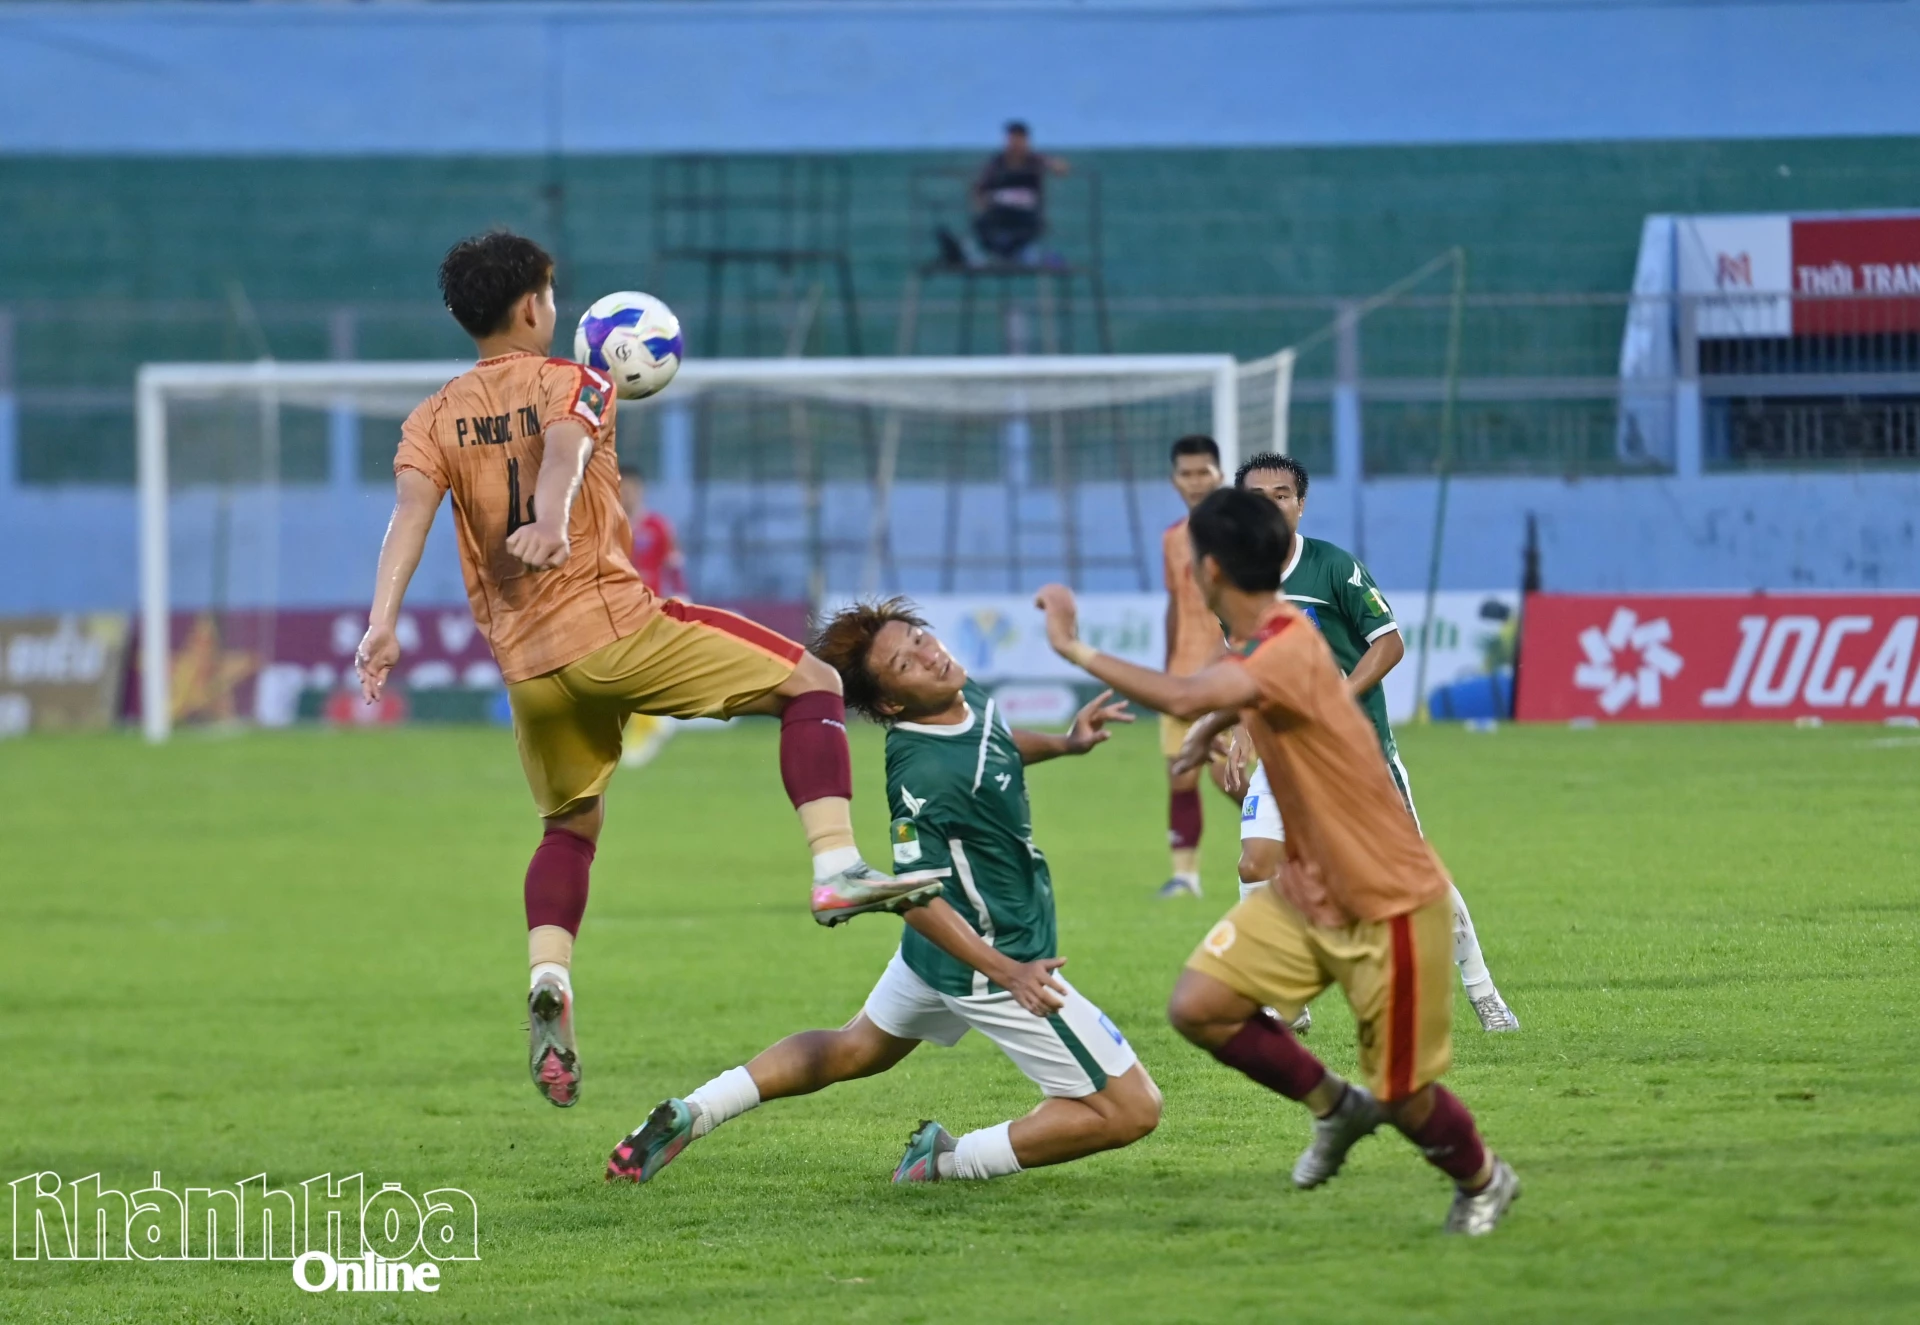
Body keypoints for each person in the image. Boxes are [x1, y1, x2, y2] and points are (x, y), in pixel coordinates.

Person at [353, 231, 943, 1111]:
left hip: (528, 669)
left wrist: (381, 625)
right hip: (613, 628)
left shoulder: (431, 418)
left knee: (569, 827)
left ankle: (549, 976)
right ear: (533, 306)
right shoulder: (575, 380)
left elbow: (408, 516)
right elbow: (564, 449)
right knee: (813, 683)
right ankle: (837, 863)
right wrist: (552, 519)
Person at [1033, 488, 1520, 1236]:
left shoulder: (1283, 644)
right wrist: (1217, 727)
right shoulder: (1281, 631)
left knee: (1405, 1095)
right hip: (1307, 887)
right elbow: (1241, 690)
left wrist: (1074, 648)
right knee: (1201, 1006)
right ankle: (1335, 1106)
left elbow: (1186, 692)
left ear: (1210, 570)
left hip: (1386, 899)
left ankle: (1483, 1179)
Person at [607, 599, 1160, 1185]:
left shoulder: (955, 692)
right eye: (906, 662)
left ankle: (697, 1110)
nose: (930, 654)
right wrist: (1009, 973)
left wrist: (1065, 743)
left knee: (854, 1049)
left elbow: (992, 744)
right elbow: (908, 895)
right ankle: (944, 1161)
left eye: (919, 638)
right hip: (989, 957)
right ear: (892, 703)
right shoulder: (923, 774)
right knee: (1132, 1109)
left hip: (937, 957)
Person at [1183, 453, 1519, 1033]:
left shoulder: (1333, 566)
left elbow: (1389, 643)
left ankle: (1481, 988)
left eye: (1282, 495)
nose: (1271, 506)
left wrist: (1336, 697)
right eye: (1257, 497)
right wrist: (1239, 729)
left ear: (1300, 504)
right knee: (1255, 862)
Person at [1157, 435, 1226, 898]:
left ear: (1219, 475)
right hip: (1182, 677)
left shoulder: (1239, 530)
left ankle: (1293, 854)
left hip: (1227, 677)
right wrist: (1167, 670)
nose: (1196, 481)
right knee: (1181, 775)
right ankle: (1185, 878)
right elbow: (1175, 603)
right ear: (1174, 480)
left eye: (1204, 472)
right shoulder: (1173, 539)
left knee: (1230, 777)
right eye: (1187, 473)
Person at [617, 471, 686, 769]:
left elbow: (674, 564)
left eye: (632, 488)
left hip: (651, 608)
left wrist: (682, 596)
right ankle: (651, 724)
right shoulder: (608, 525)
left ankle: (648, 726)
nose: (627, 494)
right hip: (617, 609)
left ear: (641, 490)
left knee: (638, 668)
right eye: (622, 488)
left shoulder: (657, 526)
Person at [971, 120, 1069, 264]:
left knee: (1033, 228)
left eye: (1019, 139)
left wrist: (1057, 166)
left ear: (1026, 141)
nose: (1015, 144)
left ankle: (1017, 255)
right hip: (1001, 212)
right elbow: (980, 186)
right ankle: (994, 255)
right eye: (1012, 139)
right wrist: (982, 201)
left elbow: (1059, 167)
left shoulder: (1035, 160)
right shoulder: (997, 163)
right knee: (981, 224)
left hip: (1026, 213)